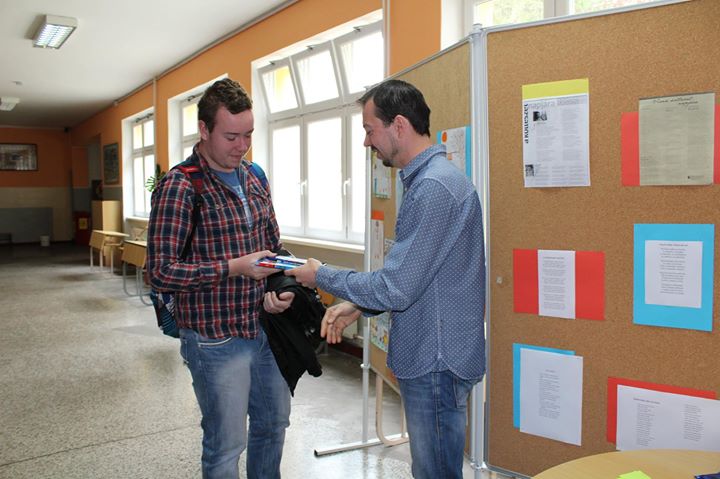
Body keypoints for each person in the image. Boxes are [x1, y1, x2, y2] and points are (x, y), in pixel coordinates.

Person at [286, 79, 486, 479]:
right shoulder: (429, 182)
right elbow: (419, 277)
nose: (366, 142)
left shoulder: (434, 189)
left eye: (369, 130)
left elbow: (397, 287)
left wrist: (320, 274)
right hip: (435, 353)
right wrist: (357, 304)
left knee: (435, 473)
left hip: (436, 359)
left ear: (399, 125)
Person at [147, 78, 295, 479]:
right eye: (231, 136)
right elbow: (159, 271)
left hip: (265, 329)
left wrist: (281, 286)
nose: (241, 146)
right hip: (215, 340)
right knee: (226, 445)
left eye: (248, 135)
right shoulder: (179, 186)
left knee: (273, 426)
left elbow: (273, 247)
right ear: (204, 130)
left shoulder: (255, 176)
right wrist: (233, 267)